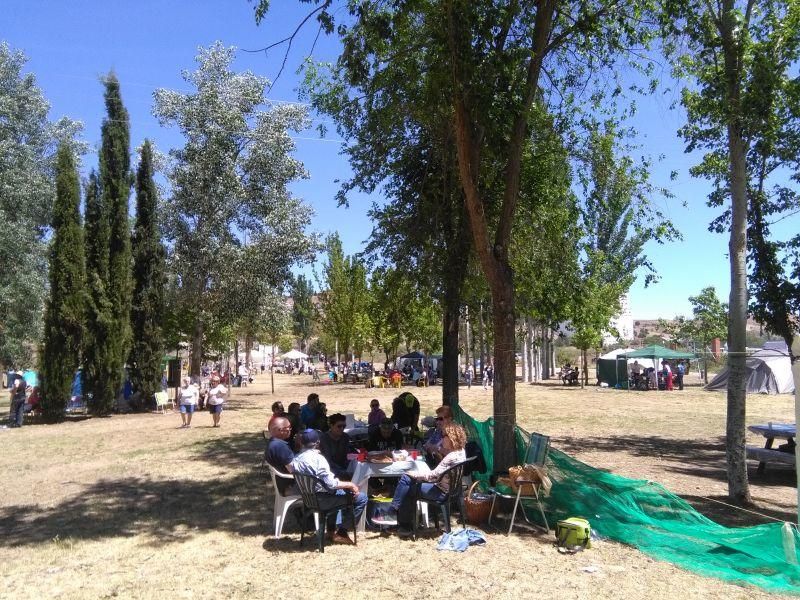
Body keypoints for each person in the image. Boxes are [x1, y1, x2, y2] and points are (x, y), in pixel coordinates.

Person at [374, 422, 468, 536]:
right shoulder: (460, 452)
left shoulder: (450, 457)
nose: (441, 439)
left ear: (451, 438)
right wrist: (438, 450)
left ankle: (397, 518)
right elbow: (439, 467)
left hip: (440, 492)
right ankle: (400, 521)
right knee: (407, 482)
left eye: (443, 436)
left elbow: (432, 476)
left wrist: (415, 475)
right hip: (452, 490)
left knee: (406, 482)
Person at [292, 429, 367, 545]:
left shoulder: (296, 459)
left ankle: (331, 531)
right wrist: (350, 484)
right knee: (361, 498)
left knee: (338, 491)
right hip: (323, 499)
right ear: (317, 442)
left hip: (309, 499)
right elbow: (331, 484)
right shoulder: (318, 459)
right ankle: (342, 532)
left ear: (301, 442)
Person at [266, 416, 296, 495]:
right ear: (281, 430)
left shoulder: (273, 443)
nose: (290, 429)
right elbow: (294, 470)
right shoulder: (281, 447)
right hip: (290, 486)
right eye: (289, 427)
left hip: (281, 484)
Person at [320, 413, 354, 479]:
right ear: (331, 425)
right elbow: (328, 460)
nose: (342, 428)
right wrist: (344, 472)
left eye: (344, 426)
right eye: (339, 426)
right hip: (329, 470)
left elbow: (348, 455)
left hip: (344, 468)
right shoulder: (324, 439)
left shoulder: (345, 437)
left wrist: (359, 456)